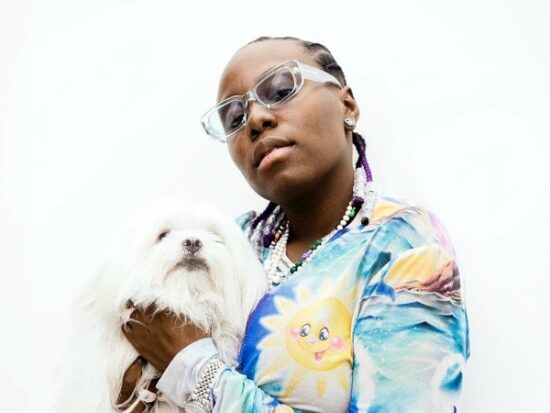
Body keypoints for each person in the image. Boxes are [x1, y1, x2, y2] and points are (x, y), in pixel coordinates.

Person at [119, 36, 470, 412]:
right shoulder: (226, 243)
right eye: (234, 118)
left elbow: (185, 360)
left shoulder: (404, 247)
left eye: (281, 90)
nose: (256, 120)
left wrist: (194, 369)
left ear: (347, 105)